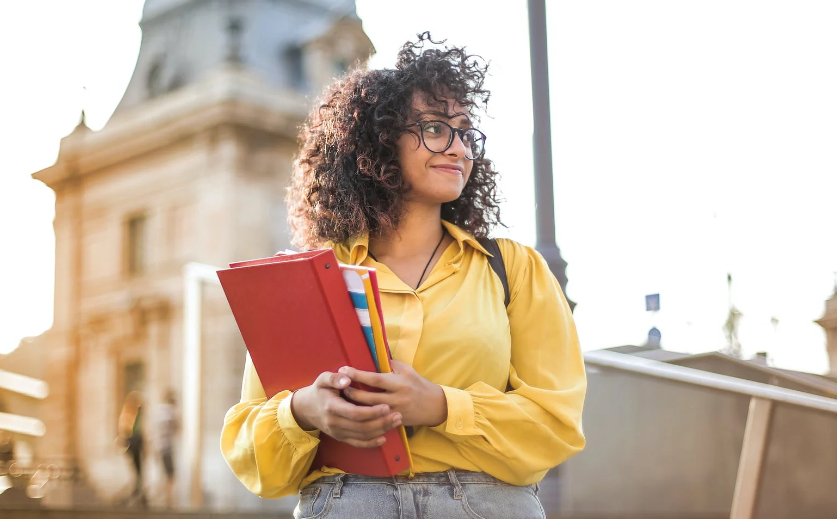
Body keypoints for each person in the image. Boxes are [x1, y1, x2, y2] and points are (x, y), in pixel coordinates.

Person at [220, 33, 586, 519]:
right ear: (377, 141)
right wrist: (305, 411)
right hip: (348, 503)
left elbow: (557, 424)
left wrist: (439, 405)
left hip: (486, 505)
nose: (458, 147)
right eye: (435, 128)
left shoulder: (513, 269)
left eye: (464, 130)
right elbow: (253, 454)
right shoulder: (308, 279)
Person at [117, 391, 147, 508]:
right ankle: (137, 490)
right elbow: (125, 431)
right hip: (132, 443)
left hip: (136, 443)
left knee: (138, 470)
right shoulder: (128, 415)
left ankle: (138, 490)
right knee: (136, 469)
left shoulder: (137, 415)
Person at [156, 388, 179, 509]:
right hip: (167, 447)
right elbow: (177, 427)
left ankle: (165, 498)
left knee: (165, 473)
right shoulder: (169, 412)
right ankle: (168, 500)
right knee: (170, 475)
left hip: (159, 447)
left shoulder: (159, 411)